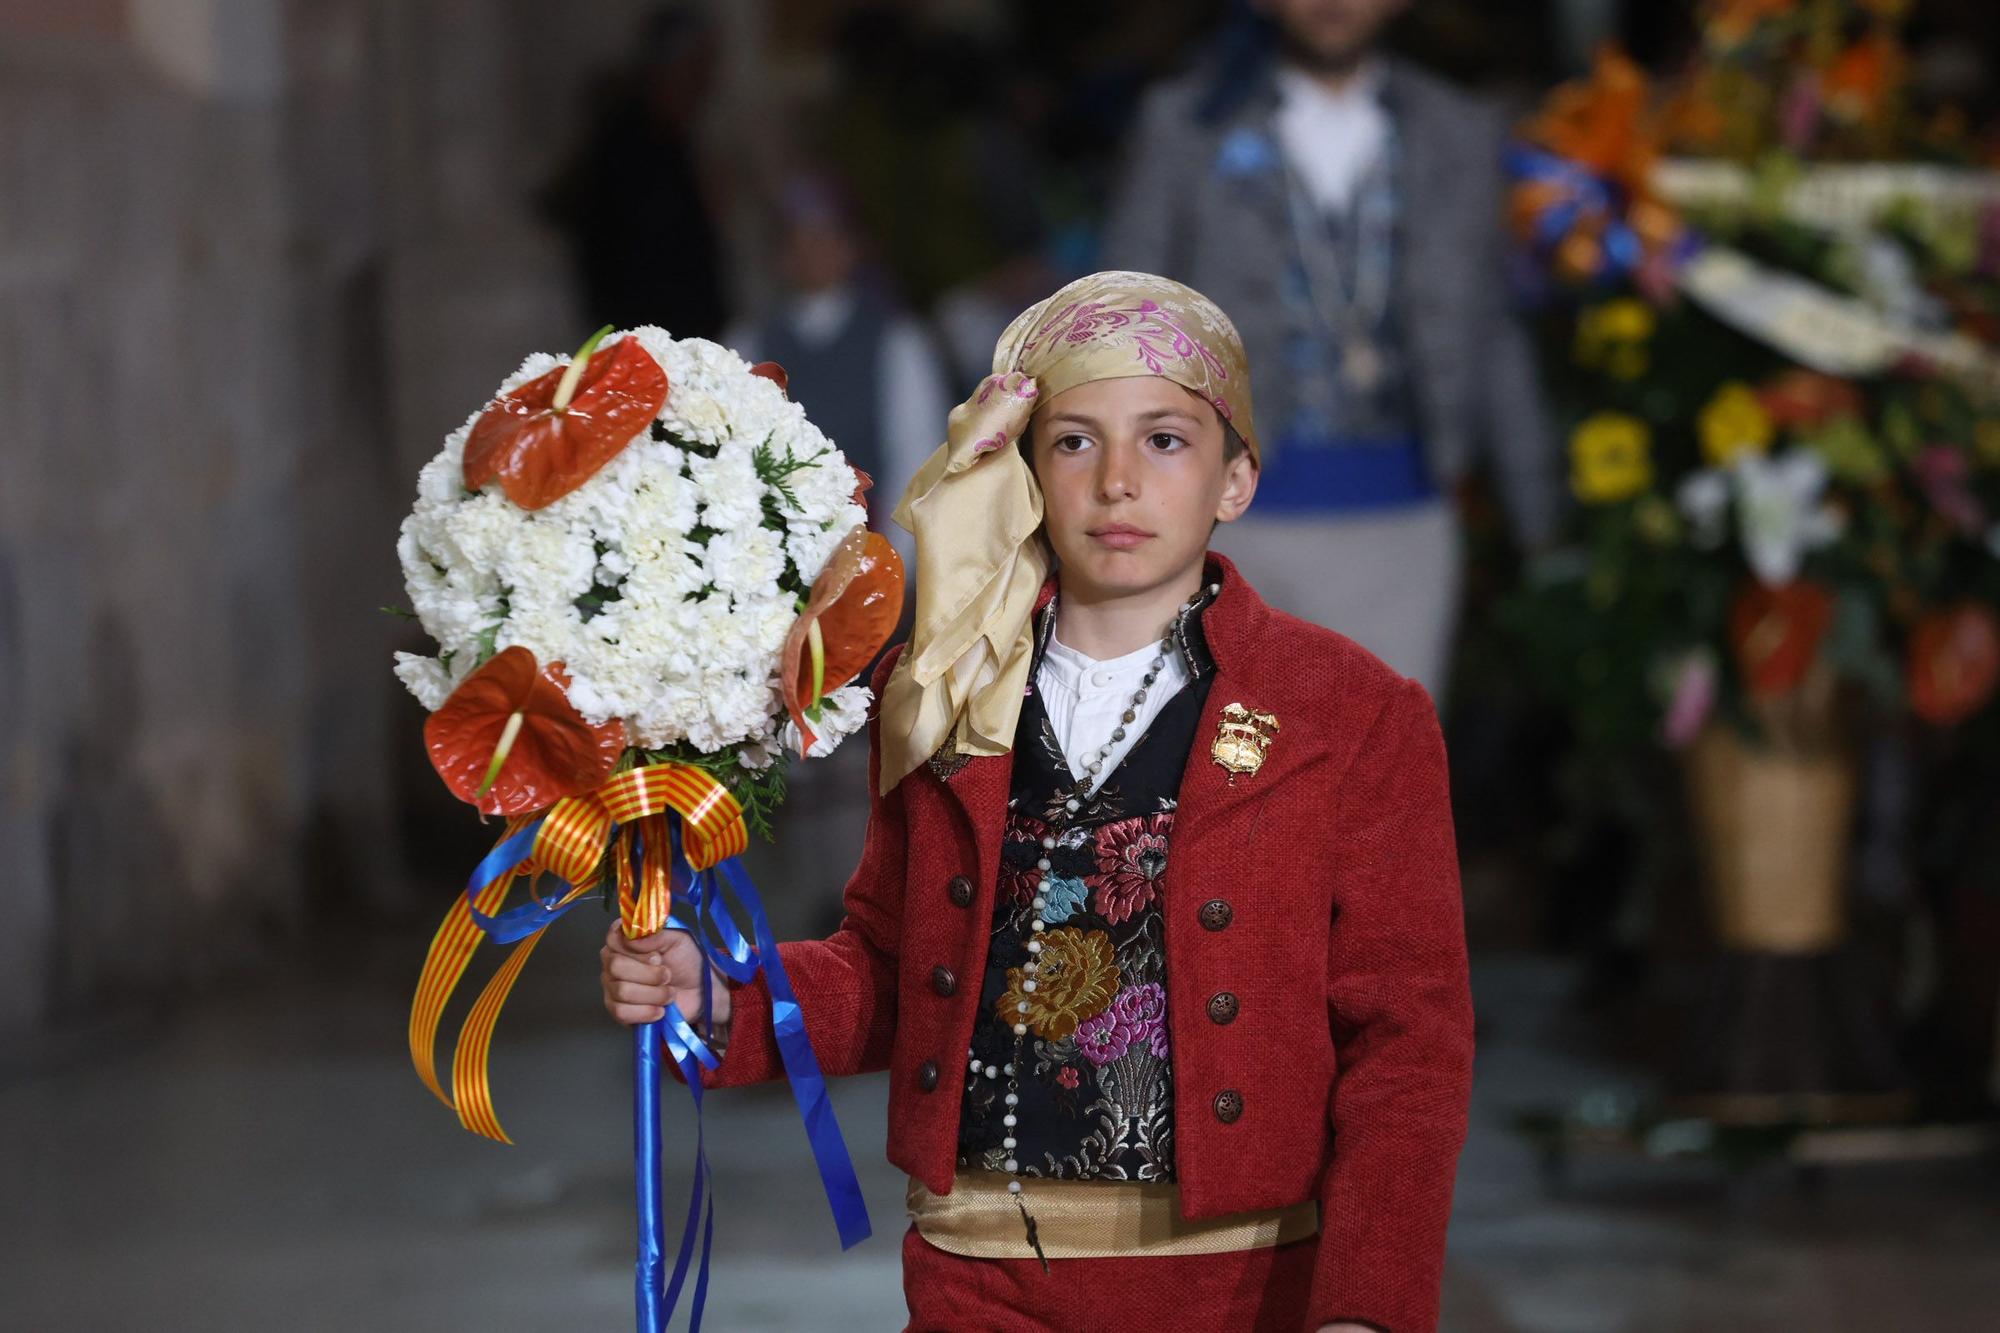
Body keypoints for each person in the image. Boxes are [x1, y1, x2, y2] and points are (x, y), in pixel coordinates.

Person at [603, 271, 1474, 1332]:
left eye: (1164, 441)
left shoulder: (1349, 713)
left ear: (1234, 478)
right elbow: (889, 964)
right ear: (1023, 468)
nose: (1116, 482)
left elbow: (1408, 1043)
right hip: (978, 1270)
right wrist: (723, 991)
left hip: (1238, 1287)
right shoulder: (940, 693)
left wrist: (1366, 1309)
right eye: (1072, 441)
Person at [1102, 0, 1560, 701]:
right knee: (1226, 783)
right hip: (1226, 524)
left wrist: (1544, 527)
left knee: (1382, 782)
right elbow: (1118, 323)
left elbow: (1489, 330)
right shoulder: (1187, 125)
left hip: (1404, 522)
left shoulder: (1456, 130)